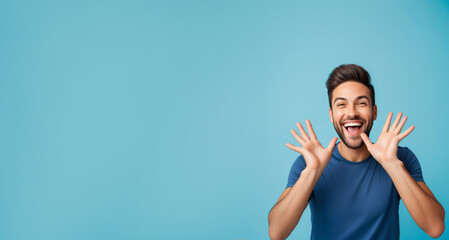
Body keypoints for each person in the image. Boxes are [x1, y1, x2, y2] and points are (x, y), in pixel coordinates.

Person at [267, 64, 445, 240]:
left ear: (374, 112)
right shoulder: (308, 163)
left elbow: (435, 227)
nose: (351, 113)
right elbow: (277, 233)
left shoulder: (401, 158)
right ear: (331, 115)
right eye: (341, 105)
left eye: (361, 103)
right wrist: (311, 172)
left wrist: (392, 165)